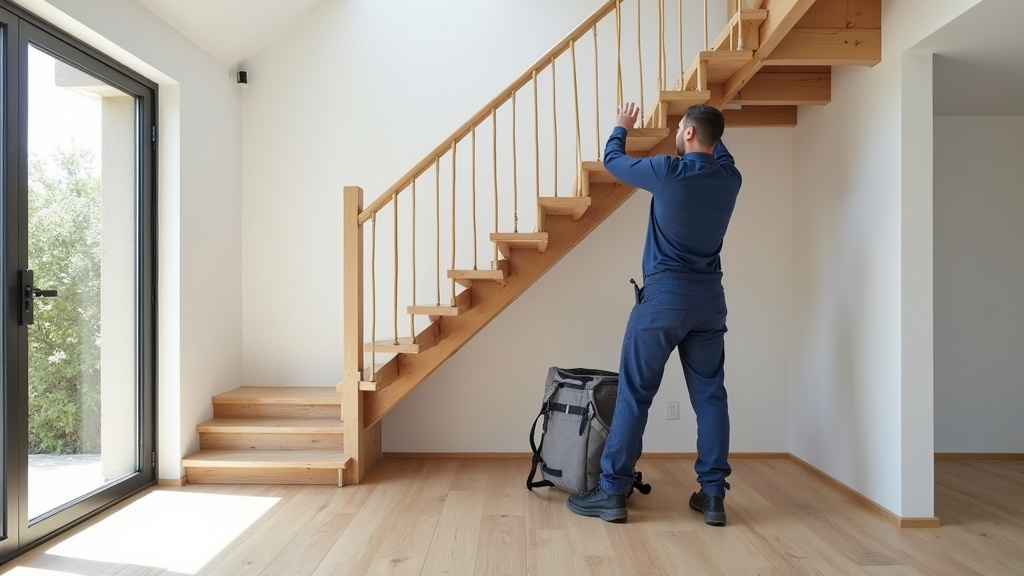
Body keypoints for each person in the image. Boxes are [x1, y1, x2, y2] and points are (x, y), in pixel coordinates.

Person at [567, 102, 742, 525]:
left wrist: (620, 126)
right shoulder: (730, 178)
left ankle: (611, 492)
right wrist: (705, 129)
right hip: (710, 298)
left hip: (666, 297)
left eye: (680, 127)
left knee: (635, 393)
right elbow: (719, 149)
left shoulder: (668, 170)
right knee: (710, 396)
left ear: (686, 134)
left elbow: (613, 161)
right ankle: (713, 496)